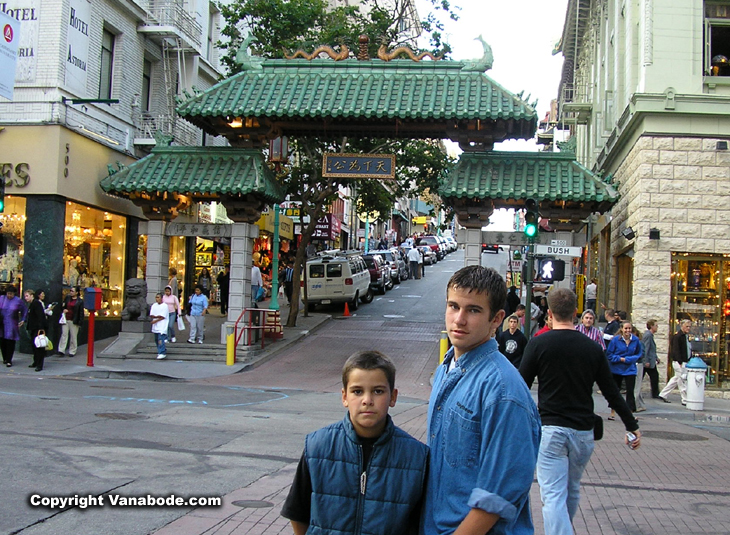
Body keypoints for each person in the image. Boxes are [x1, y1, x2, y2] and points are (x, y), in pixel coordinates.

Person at [423, 265, 540, 535]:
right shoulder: (446, 367)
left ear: (497, 319)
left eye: (473, 310)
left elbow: (497, 496)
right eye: (453, 306)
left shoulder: (503, 391)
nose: (459, 319)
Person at [519, 289, 640, 535]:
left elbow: (521, 386)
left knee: (552, 495)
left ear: (549, 314)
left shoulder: (538, 344)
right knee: (572, 489)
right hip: (583, 432)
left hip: (551, 428)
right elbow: (611, 392)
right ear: (575, 313)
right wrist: (631, 424)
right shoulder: (593, 348)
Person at [281, 350, 428, 535]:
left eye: (378, 391)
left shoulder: (417, 457)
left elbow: (421, 523)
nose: (367, 400)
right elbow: (297, 513)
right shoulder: (317, 447)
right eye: (357, 391)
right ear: (344, 397)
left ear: (393, 396)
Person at [606, 321, 643, 417]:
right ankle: (613, 412)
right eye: (626, 328)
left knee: (630, 391)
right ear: (621, 329)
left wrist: (629, 359)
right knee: (615, 391)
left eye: (629, 328)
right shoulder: (615, 340)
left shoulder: (635, 340)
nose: (628, 330)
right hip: (616, 368)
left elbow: (639, 354)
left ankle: (630, 413)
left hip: (630, 369)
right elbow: (609, 354)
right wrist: (620, 359)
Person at [659, 319, 692, 404]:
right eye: (687, 326)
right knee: (682, 380)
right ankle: (685, 399)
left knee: (676, 379)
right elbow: (676, 350)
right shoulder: (677, 337)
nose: (688, 328)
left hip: (684, 361)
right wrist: (679, 361)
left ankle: (663, 394)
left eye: (689, 326)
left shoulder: (685, 337)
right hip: (679, 362)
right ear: (682, 326)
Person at [0, 286, 27, 367]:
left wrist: (23, 319)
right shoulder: (1, 298)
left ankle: (9, 359)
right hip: (1, 323)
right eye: (8, 293)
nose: (9, 295)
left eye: (11, 294)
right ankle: (5, 358)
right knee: (2, 341)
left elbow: (24, 310)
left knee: (10, 342)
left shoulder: (18, 301)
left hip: (12, 323)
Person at [57, 286, 84, 358]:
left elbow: (81, 312)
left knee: (73, 336)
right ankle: (61, 350)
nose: (71, 292)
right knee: (64, 334)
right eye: (70, 291)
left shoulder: (80, 301)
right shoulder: (67, 298)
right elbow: (62, 305)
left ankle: (72, 351)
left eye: (72, 291)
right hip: (66, 318)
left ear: (77, 292)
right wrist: (63, 309)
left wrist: (80, 322)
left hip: (74, 320)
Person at [25, 289, 47, 372]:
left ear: (32, 296)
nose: (25, 298)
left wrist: (41, 328)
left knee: (39, 347)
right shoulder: (33, 304)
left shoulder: (36, 304)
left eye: (27, 296)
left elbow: (40, 316)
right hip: (34, 328)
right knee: (35, 347)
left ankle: (39, 364)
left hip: (37, 328)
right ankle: (36, 362)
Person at [641, 320, 661, 399]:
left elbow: (652, 349)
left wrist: (656, 357)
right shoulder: (648, 335)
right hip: (648, 361)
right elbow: (646, 348)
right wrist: (646, 361)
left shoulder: (650, 335)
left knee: (653, 376)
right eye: (656, 325)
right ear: (651, 326)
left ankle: (655, 393)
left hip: (650, 360)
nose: (657, 327)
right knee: (654, 376)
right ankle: (655, 393)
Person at [149, 293, 169, 360]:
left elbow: (162, 316)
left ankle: (162, 352)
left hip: (162, 325)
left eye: (158, 297)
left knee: (161, 339)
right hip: (155, 326)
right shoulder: (154, 305)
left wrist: (156, 319)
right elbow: (152, 315)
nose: (157, 299)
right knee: (156, 339)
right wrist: (156, 317)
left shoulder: (165, 306)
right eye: (156, 297)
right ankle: (160, 349)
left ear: (161, 298)